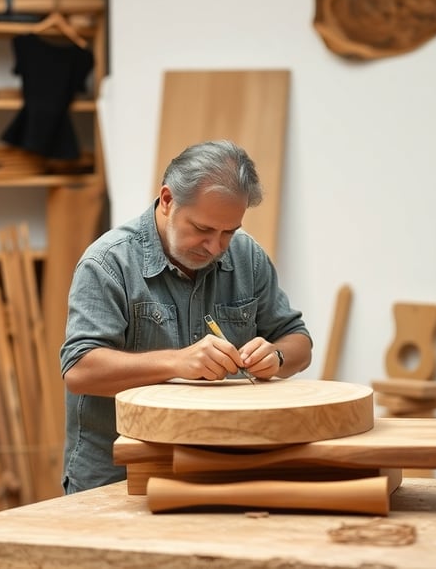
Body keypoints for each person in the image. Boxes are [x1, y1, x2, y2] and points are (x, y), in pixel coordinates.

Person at [60, 139, 313, 493]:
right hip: (120, 475)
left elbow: (298, 339)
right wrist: (177, 363)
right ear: (167, 200)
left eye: (229, 232)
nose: (216, 247)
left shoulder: (247, 258)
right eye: (203, 229)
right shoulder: (109, 263)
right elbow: (80, 371)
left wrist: (278, 356)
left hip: (219, 467)